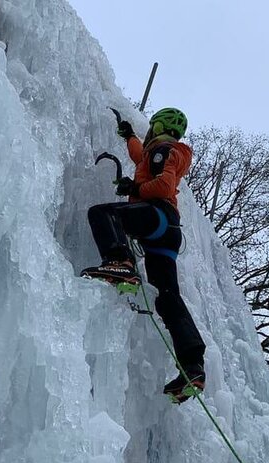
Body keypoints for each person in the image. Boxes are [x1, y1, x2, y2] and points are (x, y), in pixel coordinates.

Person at [81, 108, 206, 400]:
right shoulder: (160, 152)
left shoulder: (165, 149)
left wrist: (134, 187)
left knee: (103, 214)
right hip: (167, 232)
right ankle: (193, 365)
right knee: (167, 296)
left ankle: (120, 262)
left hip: (157, 216)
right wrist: (129, 137)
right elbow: (142, 159)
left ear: (160, 125)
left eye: (152, 126)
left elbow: (162, 185)